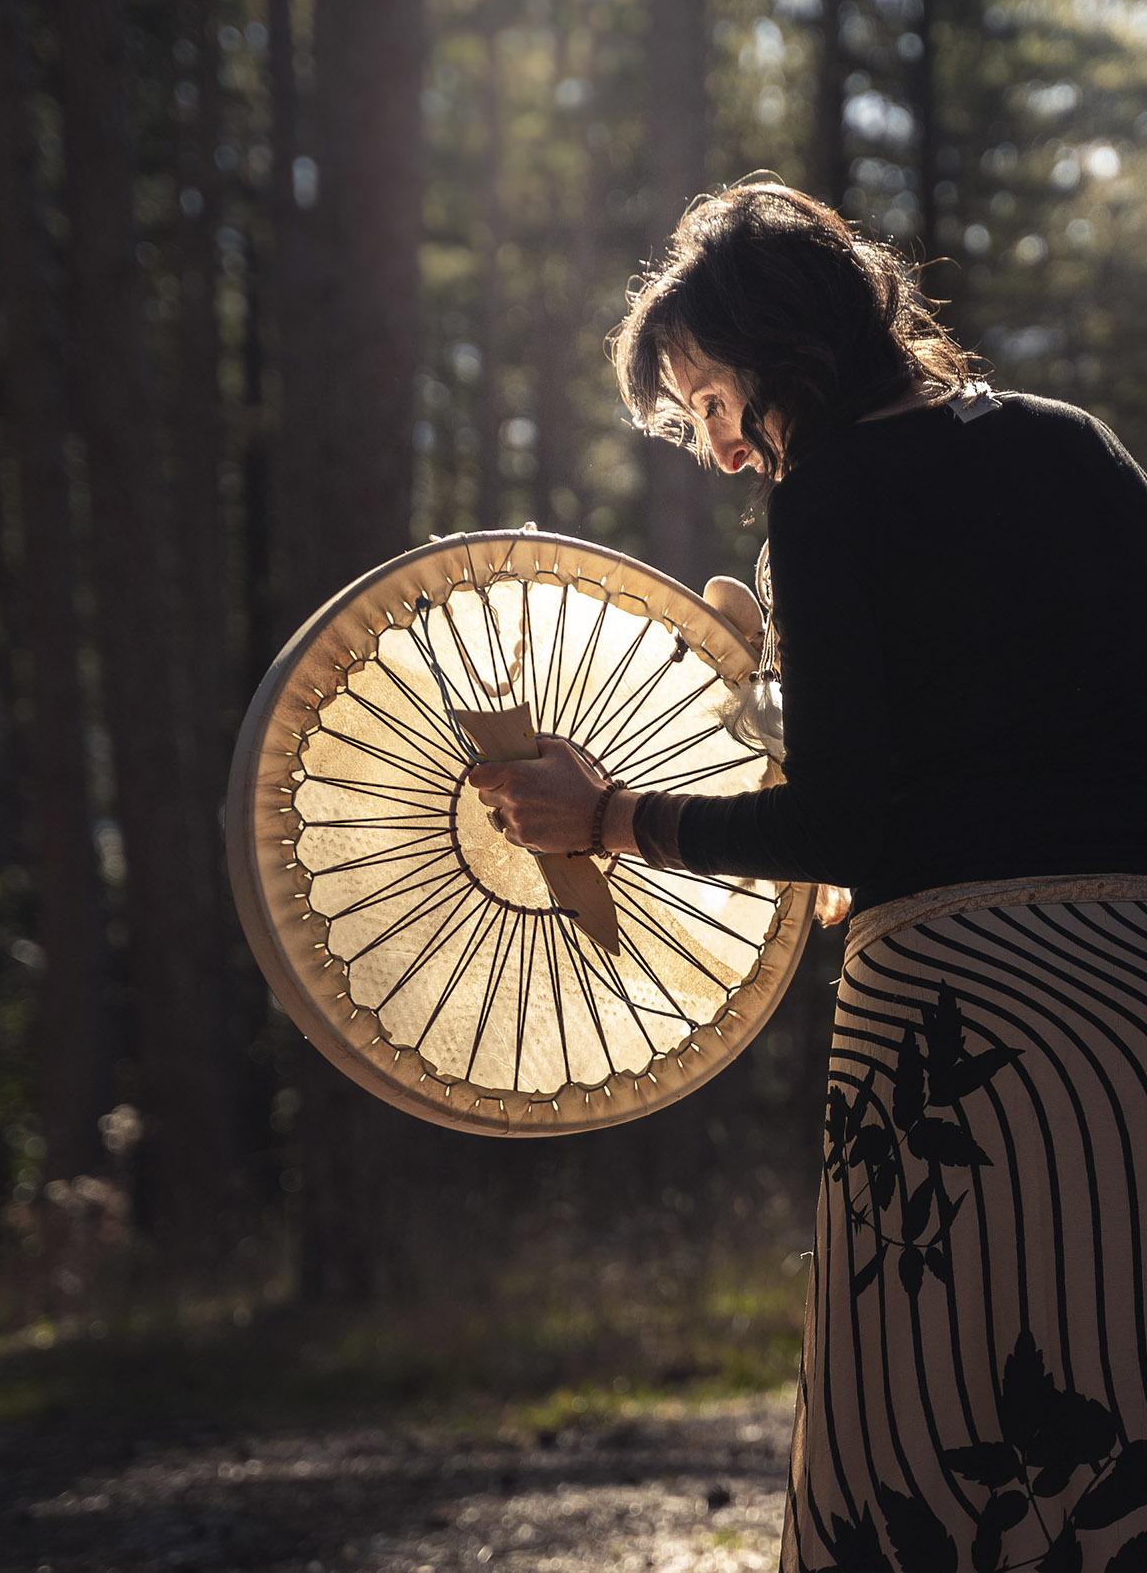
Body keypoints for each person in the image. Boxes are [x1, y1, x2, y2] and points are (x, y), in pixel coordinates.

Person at [468, 181, 1147, 1572]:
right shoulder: (1067, 441)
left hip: (966, 1029)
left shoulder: (830, 496)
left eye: (713, 399)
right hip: (1134, 993)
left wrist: (609, 817)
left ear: (785, 346)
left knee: (930, 1429)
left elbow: (842, 829)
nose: (720, 447)